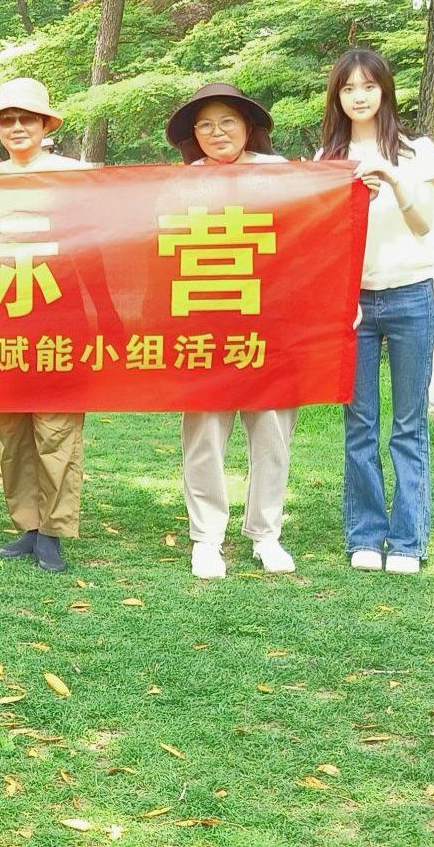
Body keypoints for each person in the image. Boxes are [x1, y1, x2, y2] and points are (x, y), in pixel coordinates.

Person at [321, 49, 434, 575]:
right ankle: (367, 536)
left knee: (409, 425)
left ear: (385, 91)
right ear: (337, 97)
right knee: (360, 424)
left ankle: (409, 541)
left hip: (412, 296)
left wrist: (392, 179)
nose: (359, 96)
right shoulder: (328, 159)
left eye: (368, 86)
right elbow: (325, 242)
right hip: (353, 306)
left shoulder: (419, 152)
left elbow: (423, 224)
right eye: (348, 88)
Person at [165, 82, 296, 579]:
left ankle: (266, 533)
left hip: (271, 323)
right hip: (205, 321)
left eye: (226, 122)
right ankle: (206, 538)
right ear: (194, 135)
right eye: (205, 125)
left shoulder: (281, 175)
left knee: (272, 431)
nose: (216, 132)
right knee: (204, 432)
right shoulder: (183, 183)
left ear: (247, 127)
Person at [0, 77, 92, 573]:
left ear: (45, 125)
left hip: (59, 314)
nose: (18, 127)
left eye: (27, 118)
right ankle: (27, 522)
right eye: (8, 120)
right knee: (14, 429)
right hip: (4, 313)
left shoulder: (77, 176)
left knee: (57, 427)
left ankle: (53, 531)